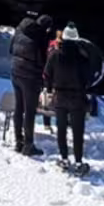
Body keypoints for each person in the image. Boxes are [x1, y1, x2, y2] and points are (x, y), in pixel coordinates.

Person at [44, 23, 94, 173]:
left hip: (59, 97)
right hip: (77, 98)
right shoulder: (83, 57)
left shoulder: (54, 55)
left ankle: (64, 159)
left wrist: (49, 89)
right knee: (78, 132)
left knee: (61, 130)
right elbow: (88, 78)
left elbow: (47, 75)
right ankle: (78, 162)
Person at [9, 13, 52, 155]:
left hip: (15, 73)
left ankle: (18, 141)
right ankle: (28, 145)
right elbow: (44, 61)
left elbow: (10, 49)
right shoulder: (41, 37)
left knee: (18, 107)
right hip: (30, 79)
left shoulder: (19, 29)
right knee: (29, 112)